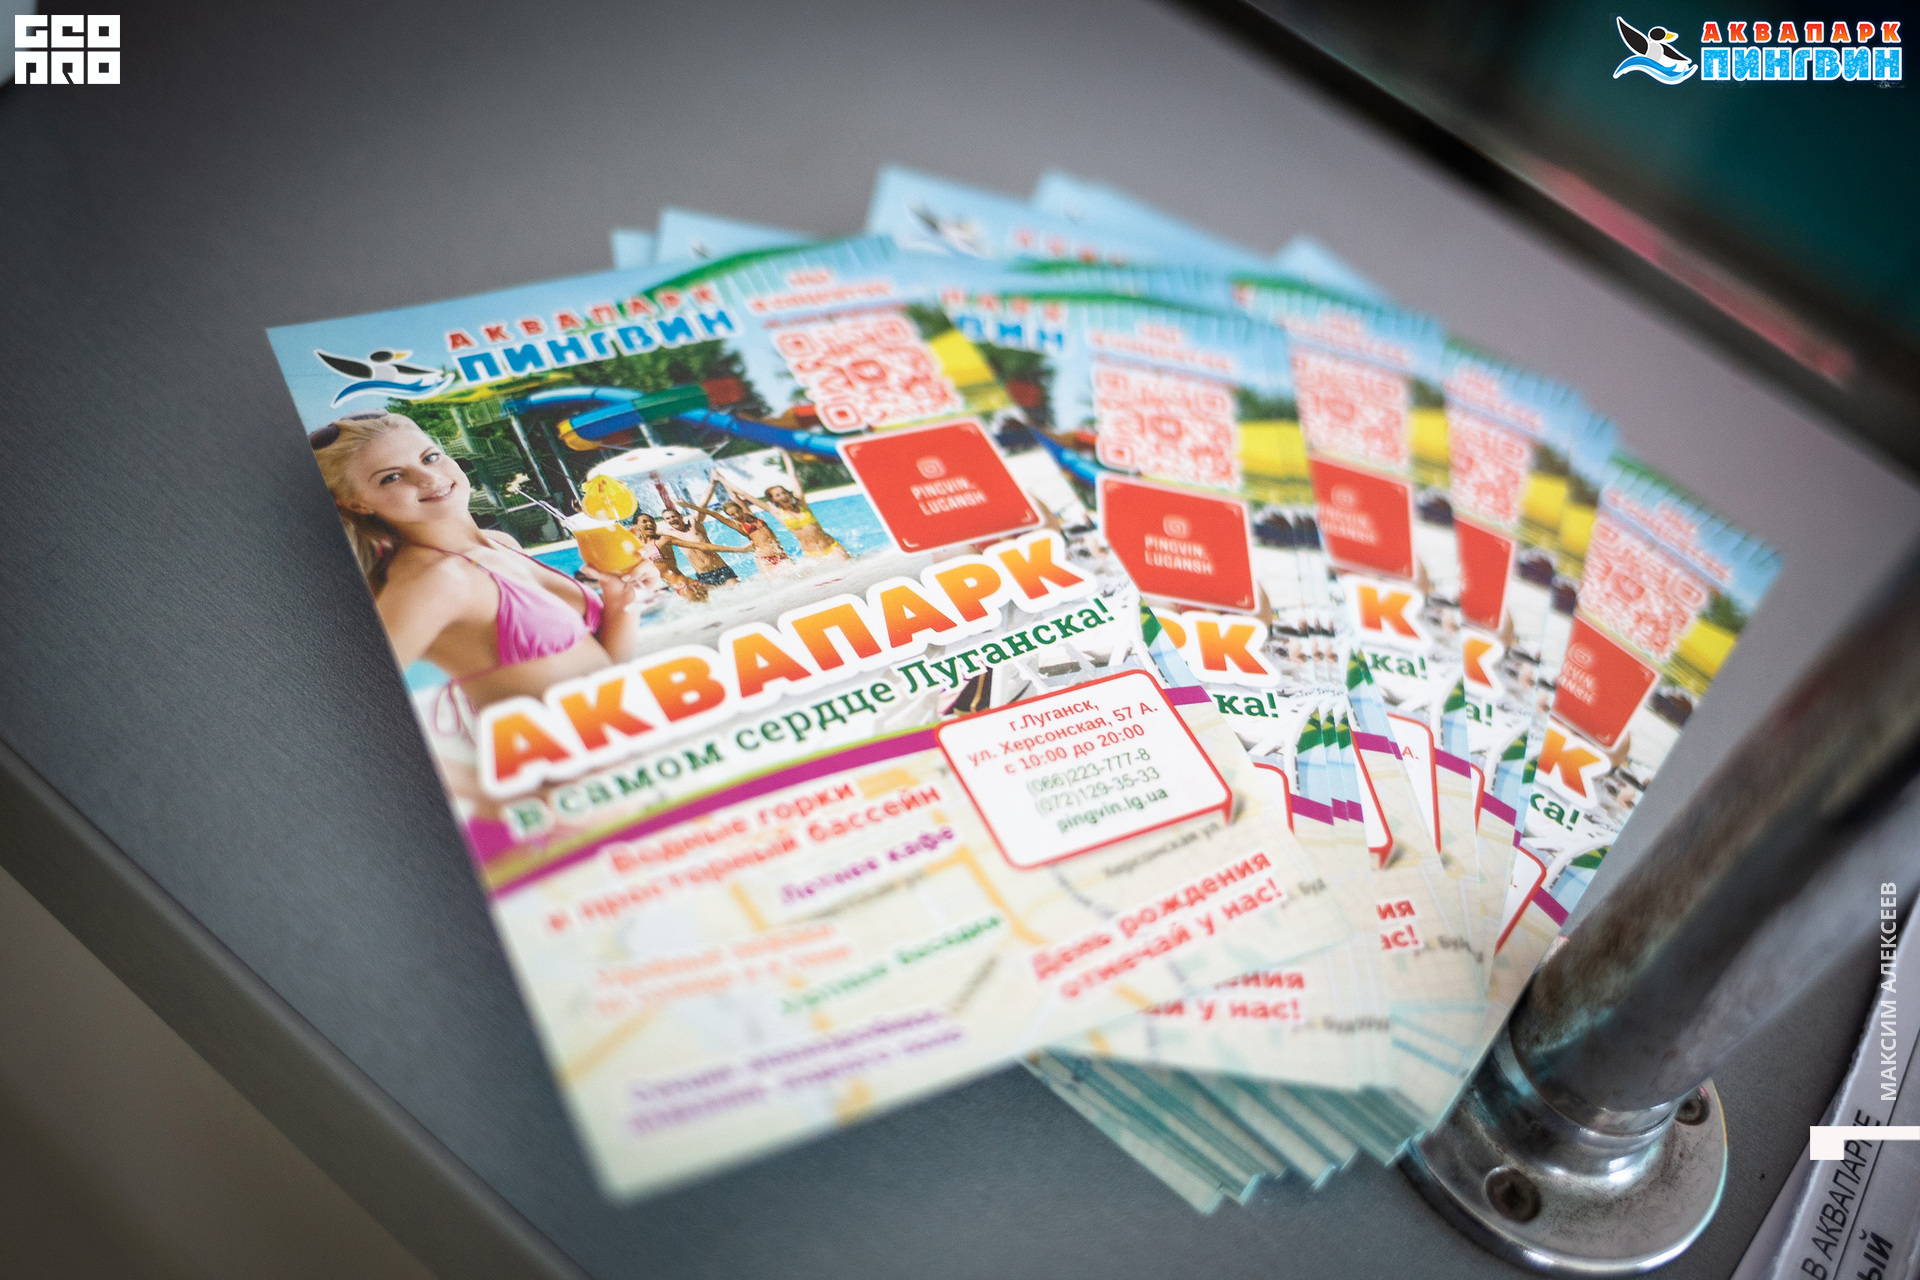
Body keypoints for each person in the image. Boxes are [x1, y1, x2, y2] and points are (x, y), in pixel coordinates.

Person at [310, 411, 647, 709]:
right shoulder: (435, 581)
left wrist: (621, 600)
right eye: (391, 477)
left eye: (430, 457)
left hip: (621, 735)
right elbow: (342, 701)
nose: (428, 478)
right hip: (556, 755)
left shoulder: (501, 544)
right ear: (356, 503)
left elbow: (603, 671)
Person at [726, 449, 848, 561]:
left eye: (784, 493)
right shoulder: (778, 512)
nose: (783, 496)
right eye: (778, 495)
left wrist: (785, 453)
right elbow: (745, 495)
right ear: (773, 500)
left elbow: (793, 476)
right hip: (811, 554)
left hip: (831, 547)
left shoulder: (801, 504)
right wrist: (722, 480)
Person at [657, 501, 738, 588]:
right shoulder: (669, 535)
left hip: (721, 569)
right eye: (668, 518)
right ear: (665, 521)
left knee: (738, 590)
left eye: (673, 516)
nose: (672, 519)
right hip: (703, 575)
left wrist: (711, 487)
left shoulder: (694, 524)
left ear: (680, 516)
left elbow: (702, 506)